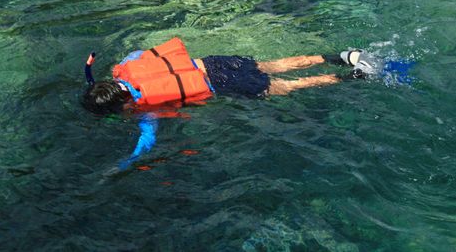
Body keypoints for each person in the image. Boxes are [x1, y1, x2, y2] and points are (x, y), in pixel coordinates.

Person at [82, 37, 376, 169]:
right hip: (215, 63)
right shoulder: (127, 69)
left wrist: (128, 162)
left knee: (287, 87)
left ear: (122, 107)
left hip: (222, 84)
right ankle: (339, 57)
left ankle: (353, 77)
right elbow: (137, 53)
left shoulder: (145, 109)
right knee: (273, 65)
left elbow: (148, 139)